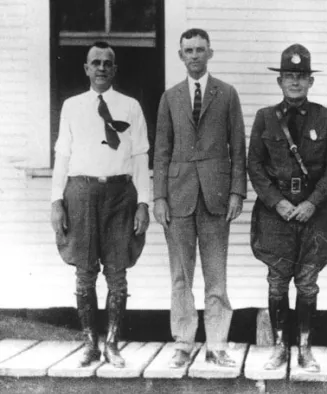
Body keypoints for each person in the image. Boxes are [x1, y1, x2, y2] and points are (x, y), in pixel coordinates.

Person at [50, 41, 150, 368]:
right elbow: (62, 157)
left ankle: (112, 343)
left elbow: (139, 158)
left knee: (117, 272)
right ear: (86, 68)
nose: (102, 68)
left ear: (115, 69)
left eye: (108, 63)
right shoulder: (72, 106)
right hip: (80, 194)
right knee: (85, 272)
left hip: (121, 195)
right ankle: (89, 342)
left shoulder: (130, 106)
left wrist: (143, 203)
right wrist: (56, 202)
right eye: (96, 62)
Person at [153, 28, 247, 368]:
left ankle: (217, 344)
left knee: (216, 275)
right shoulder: (170, 97)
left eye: (200, 49)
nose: (194, 55)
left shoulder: (226, 94)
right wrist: (159, 197)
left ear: (210, 53)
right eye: (188, 50)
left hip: (216, 196)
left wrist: (237, 191)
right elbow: (161, 153)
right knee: (180, 275)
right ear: (180, 55)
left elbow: (238, 147)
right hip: (177, 199)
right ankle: (182, 342)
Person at [248, 44, 327, 372]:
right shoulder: (265, 118)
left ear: (311, 81)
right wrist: (279, 202)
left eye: (301, 77)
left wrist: (312, 203)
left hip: (313, 215)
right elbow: (255, 168)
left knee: (307, 282)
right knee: (276, 281)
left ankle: (304, 348)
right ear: (280, 81)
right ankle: (278, 348)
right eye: (289, 76)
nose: (295, 82)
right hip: (276, 215)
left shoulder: (324, 117)